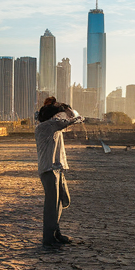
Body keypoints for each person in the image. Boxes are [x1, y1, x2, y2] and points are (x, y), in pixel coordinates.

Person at [34, 96, 84, 247]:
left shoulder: (49, 124)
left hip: (57, 167)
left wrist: (61, 108)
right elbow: (74, 118)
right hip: (49, 169)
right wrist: (66, 108)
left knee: (62, 200)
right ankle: (49, 238)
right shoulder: (49, 125)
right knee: (52, 204)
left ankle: (55, 232)